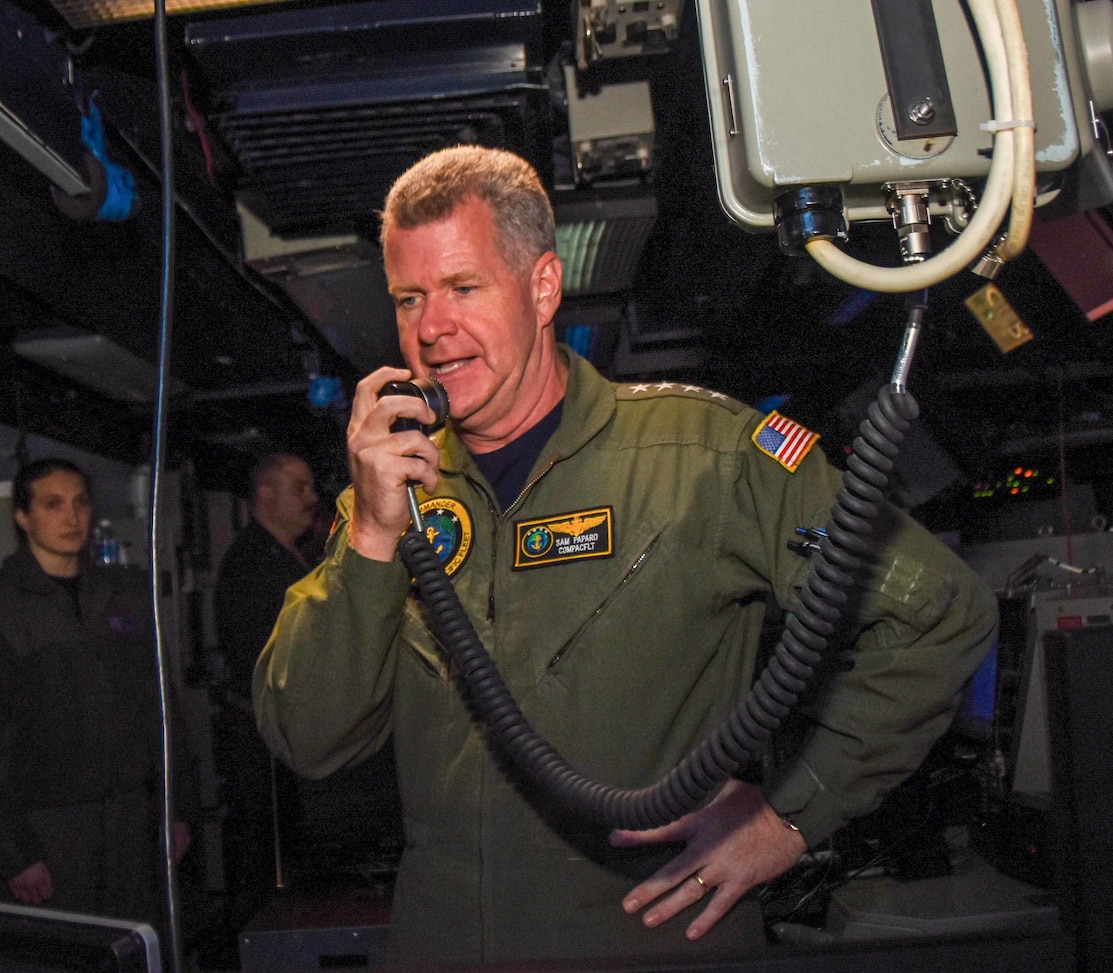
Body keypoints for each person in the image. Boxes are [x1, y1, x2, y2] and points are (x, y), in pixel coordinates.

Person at [253, 146, 997, 967]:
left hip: (650, 941)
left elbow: (940, 613)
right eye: (409, 298)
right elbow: (307, 736)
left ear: (542, 287)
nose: (431, 328)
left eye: (464, 288)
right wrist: (371, 537)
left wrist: (791, 815)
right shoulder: (394, 498)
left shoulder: (702, 457)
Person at [0, 458, 163, 923]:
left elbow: (160, 707)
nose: (71, 517)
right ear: (23, 517)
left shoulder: (123, 595)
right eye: (53, 504)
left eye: (80, 503)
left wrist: (174, 812)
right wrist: (13, 853)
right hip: (49, 832)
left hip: (128, 825)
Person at [211, 454, 318, 934]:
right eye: (299, 488)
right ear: (266, 495)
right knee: (269, 872)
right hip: (264, 748)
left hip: (292, 742)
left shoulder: (296, 557)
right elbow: (267, 661)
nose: (312, 499)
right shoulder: (250, 567)